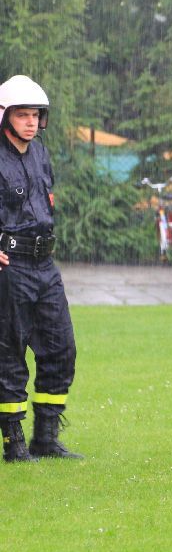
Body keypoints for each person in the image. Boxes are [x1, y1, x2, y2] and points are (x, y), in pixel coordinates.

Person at [0, 75, 82, 462]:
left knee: (61, 347)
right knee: (10, 353)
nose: (31, 122)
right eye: (23, 115)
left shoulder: (40, 154)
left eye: (35, 115)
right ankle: (14, 443)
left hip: (45, 264)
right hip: (10, 267)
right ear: (5, 116)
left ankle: (45, 438)